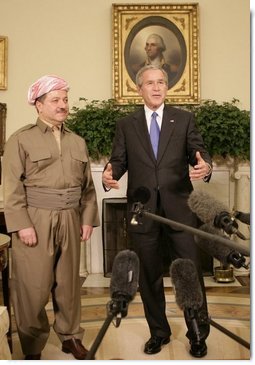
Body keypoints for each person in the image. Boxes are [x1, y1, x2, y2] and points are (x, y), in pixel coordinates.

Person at [102, 65, 212, 358]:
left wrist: (206, 166)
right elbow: (118, 161)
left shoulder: (185, 119)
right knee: (148, 273)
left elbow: (198, 152)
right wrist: (109, 174)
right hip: (143, 210)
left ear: (167, 87)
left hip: (179, 209)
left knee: (188, 272)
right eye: (150, 83)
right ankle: (159, 333)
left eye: (161, 82)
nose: (156, 87)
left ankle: (198, 334)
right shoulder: (127, 124)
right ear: (139, 89)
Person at [2, 75, 100, 360]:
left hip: (70, 217)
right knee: (32, 286)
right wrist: (22, 225)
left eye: (65, 99)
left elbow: (88, 189)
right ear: (38, 105)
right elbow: (12, 186)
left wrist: (86, 219)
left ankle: (70, 336)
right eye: (55, 100)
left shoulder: (77, 142)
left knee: (69, 284)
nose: (63, 105)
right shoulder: (20, 139)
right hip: (35, 219)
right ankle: (32, 345)